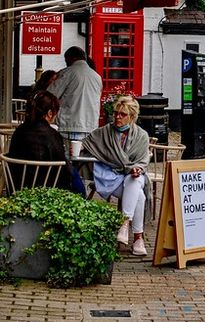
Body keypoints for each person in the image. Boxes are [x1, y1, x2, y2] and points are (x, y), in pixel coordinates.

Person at [81, 95, 150, 256]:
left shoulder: (142, 136)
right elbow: (87, 142)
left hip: (130, 178)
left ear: (132, 117)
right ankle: (137, 238)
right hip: (111, 178)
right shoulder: (105, 132)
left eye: (122, 114)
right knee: (138, 193)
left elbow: (142, 161)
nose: (117, 117)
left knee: (135, 180)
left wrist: (137, 168)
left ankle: (125, 224)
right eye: (116, 113)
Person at [8, 91, 82, 192]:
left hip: (17, 186)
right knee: (73, 173)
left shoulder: (20, 130)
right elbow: (61, 167)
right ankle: (83, 201)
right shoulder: (52, 135)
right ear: (50, 113)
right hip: (45, 189)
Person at [49, 46, 102, 150]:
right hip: (91, 127)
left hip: (69, 125)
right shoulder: (97, 76)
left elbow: (49, 96)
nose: (66, 63)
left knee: (67, 159)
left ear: (72, 58)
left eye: (66, 60)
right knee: (82, 161)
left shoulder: (67, 73)